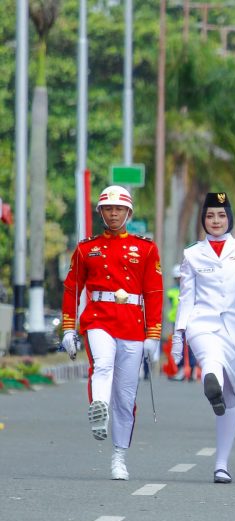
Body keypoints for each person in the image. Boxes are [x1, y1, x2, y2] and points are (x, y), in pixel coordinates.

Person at [61, 185, 163, 481]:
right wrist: (69, 327)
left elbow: (154, 292)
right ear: (101, 212)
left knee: (126, 395)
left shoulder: (145, 248)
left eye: (119, 209)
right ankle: (99, 409)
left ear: (128, 213)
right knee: (102, 364)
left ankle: (119, 457)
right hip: (97, 318)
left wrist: (153, 334)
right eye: (108, 208)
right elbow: (72, 289)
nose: (113, 213)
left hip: (132, 322)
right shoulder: (85, 248)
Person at [171, 192, 235, 484]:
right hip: (203, 323)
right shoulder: (192, 253)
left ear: (229, 217)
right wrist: (178, 334)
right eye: (210, 216)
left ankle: (221, 464)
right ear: (203, 219)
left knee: (232, 399)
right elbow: (186, 297)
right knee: (211, 358)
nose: (216, 221)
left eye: (221, 215)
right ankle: (212, 383)